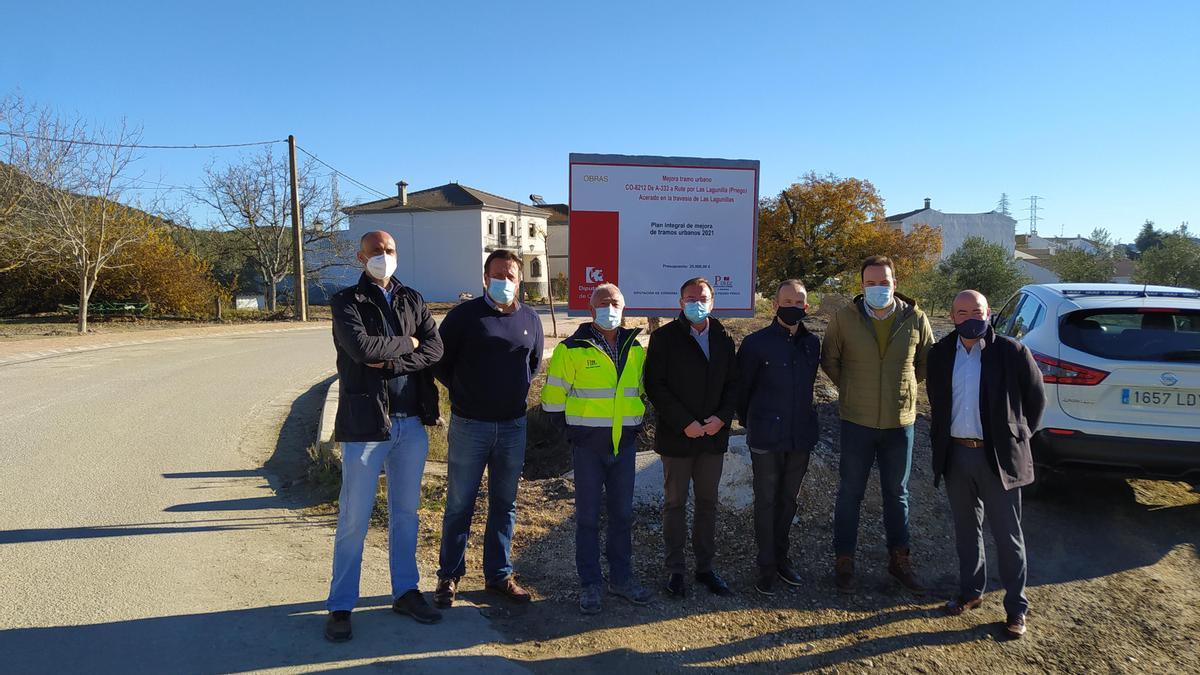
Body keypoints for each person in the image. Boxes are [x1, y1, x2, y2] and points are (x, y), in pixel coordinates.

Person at [324, 230, 445, 642]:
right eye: (376, 251)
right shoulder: (346, 301)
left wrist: (395, 360)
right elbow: (362, 349)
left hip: (411, 423)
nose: (384, 256)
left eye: (390, 250)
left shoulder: (412, 298)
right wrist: (408, 343)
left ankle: (406, 591)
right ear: (361, 256)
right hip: (366, 425)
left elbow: (435, 348)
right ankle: (341, 604)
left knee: (406, 515)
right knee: (354, 517)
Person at [926, 290, 1045, 639]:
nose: (970, 317)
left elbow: (1035, 400)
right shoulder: (941, 353)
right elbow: (937, 399)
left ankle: (1016, 608)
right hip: (957, 455)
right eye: (962, 312)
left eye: (976, 310)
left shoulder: (1011, 351)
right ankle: (970, 592)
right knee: (966, 531)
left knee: (1008, 537)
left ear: (989, 313)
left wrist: (1017, 438)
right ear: (952, 317)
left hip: (998, 459)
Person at [432, 249, 544, 608]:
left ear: (519, 279)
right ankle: (449, 575)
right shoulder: (464, 317)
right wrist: (467, 393)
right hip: (470, 426)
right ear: (485, 278)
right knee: (459, 504)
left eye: (511, 276)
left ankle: (499, 575)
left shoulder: (530, 318)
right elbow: (440, 363)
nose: (505, 282)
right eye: (498, 276)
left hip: (512, 426)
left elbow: (534, 363)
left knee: (505, 505)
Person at [820, 255, 933, 594]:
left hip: (900, 424)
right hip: (857, 421)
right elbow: (830, 361)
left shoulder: (915, 318)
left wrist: (903, 391)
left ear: (894, 283)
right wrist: (855, 389)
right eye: (871, 283)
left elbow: (926, 362)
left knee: (897, 494)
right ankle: (844, 561)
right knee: (849, 493)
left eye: (884, 282)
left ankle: (899, 560)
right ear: (862, 286)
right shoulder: (844, 319)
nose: (878, 288)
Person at [541, 283, 653, 614]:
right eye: (602, 303)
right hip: (588, 450)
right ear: (591, 310)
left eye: (615, 302)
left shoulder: (635, 349)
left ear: (624, 308)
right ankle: (590, 584)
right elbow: (552, 402)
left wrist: (635, 428)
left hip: (625, 447)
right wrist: (576, 436)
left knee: (622, 516)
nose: (609, 308)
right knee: (587, 519)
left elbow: (641, 392)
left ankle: (621, 579)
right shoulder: (571, 349)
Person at [644, 277, 739, 598]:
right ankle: (675, 571)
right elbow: (655, 385)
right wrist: (685, 422)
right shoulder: (664, 338)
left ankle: (705, 568)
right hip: (678, 438)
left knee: (708, 504)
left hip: (712, 438)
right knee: (674, 504)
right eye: (690, 298)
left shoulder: (725, 338)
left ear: (712, 303)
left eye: (703, 298)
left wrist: (722, 419)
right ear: (680, 302)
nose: (696, 303)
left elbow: (733, 385)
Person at [736, 280, 820, 596]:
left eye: (799, 302)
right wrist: (751, 422)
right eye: (787, 301)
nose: (793, 306)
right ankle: (766, 566)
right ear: (774, 305)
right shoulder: (756, 343)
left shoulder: (812, 344)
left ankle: (783, 558)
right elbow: (742, 391)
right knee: (767, 501)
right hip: (766, 437)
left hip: (800, 437)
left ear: (806, 307)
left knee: (788, 501)